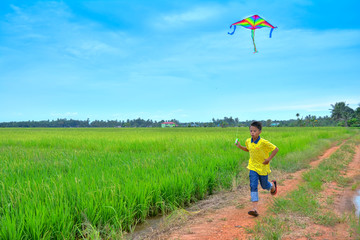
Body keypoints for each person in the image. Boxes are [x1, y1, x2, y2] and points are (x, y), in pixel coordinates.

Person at [235, 121, 279, 217]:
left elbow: (276, 149)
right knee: (253, 185)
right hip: (252, 167)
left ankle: (272, 185)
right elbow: (248, 149)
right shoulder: (248, 141)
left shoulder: (263, 142)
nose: (252, 133)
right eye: (251, 131)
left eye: (254, 131)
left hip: (263, 167)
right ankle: (254, 209)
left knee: (264, 186)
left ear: (259, 131)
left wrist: (268, 159)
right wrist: (240, 146)